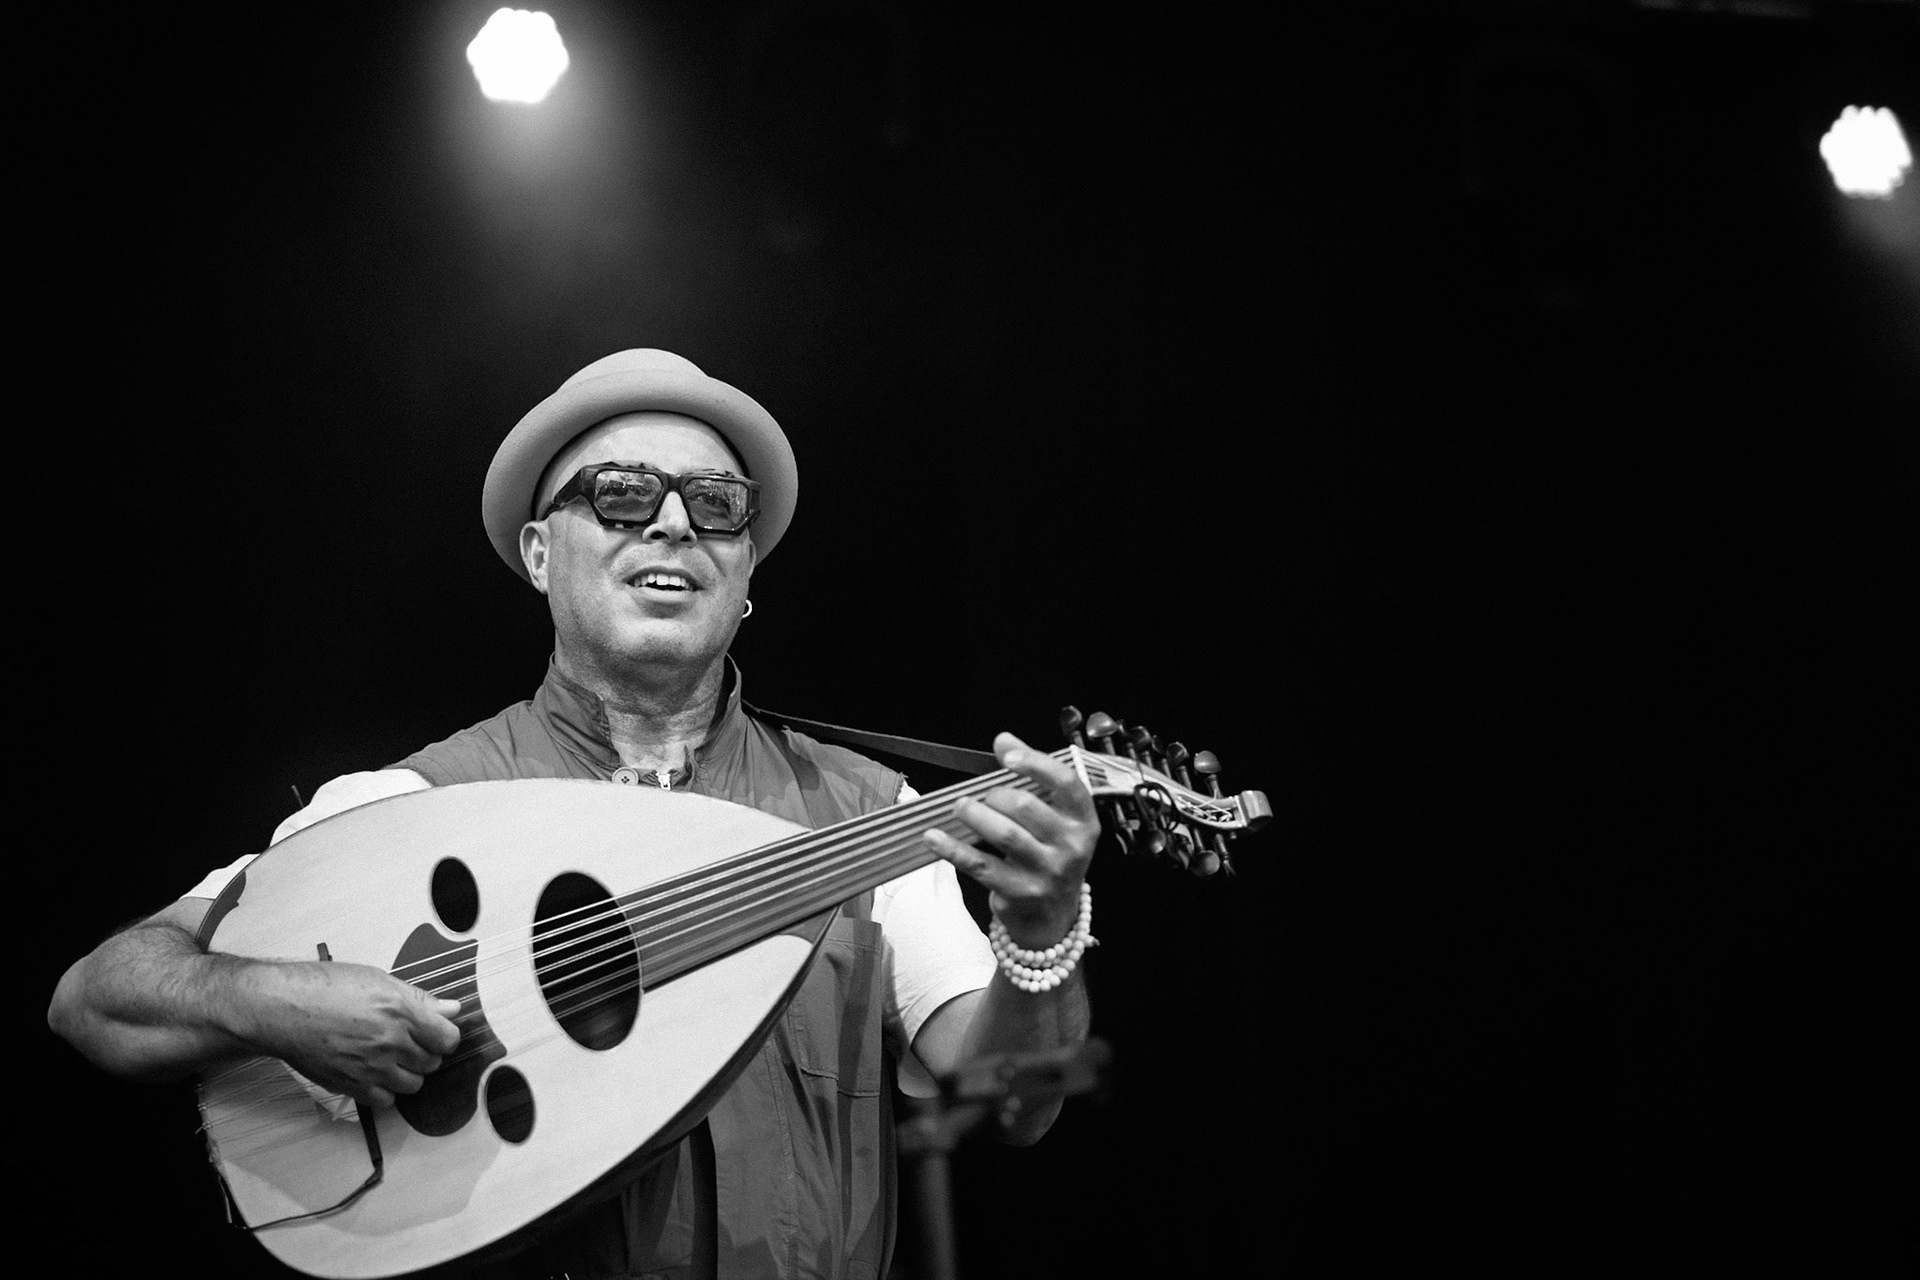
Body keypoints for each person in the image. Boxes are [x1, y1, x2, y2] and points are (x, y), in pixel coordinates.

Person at [46, 348, 1097, 1279]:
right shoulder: (413, 806)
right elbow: (98, 999)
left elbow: (1022, 1099)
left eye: (717, 503)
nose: (676, 521)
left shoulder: (870, 818)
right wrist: (277, 1002)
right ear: (542, 553)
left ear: (744, 583)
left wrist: (1043, 933)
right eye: (625, 493)